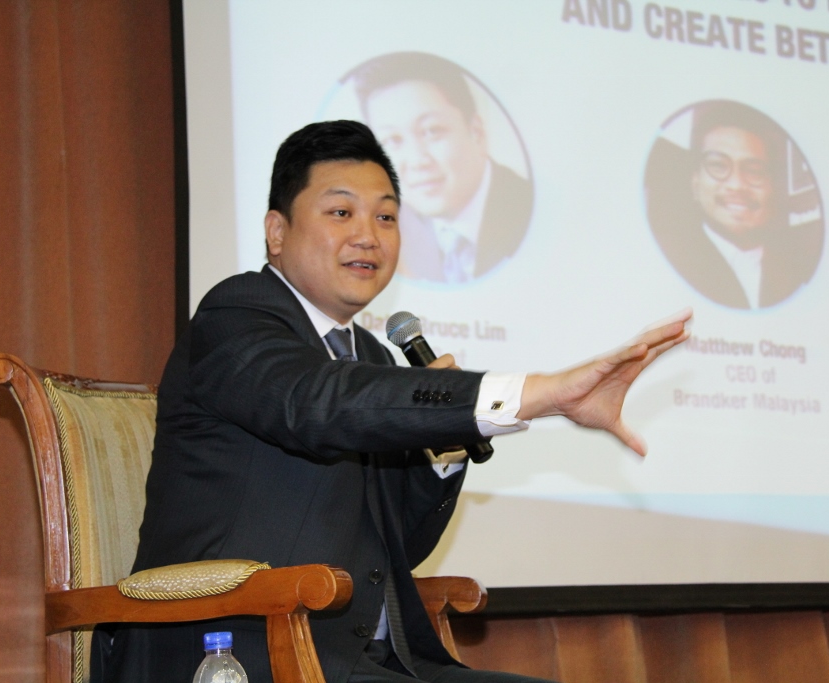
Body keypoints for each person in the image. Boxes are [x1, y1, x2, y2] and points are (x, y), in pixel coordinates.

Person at [92, 120, 690, 683]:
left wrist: (442, 455)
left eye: (385, 216)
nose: (367, 235)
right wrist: (541, 392)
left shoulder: (374, 358)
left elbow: (394, 549)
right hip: (241, 652)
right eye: (341, 212)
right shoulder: (235, 315)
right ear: (277, 231)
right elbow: (317, 404)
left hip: (370, 660)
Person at [353, 53, 533, 284]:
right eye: (393, 141)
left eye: (432, 131)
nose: (417, 161)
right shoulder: (385, 230)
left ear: (476, 133)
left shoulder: (531, 210)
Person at [647, 101, 823, 309]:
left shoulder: (798, 272)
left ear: (772, 187)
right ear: (695, 183)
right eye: (719, 166)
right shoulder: (666, 261)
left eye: (754, 171)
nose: (737, 185)